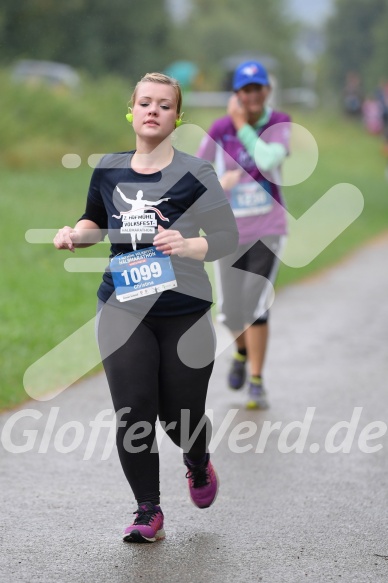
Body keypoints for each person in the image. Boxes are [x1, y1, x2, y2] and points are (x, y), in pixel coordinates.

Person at [53, 72, 238, 543]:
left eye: (164, 105)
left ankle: (196, 460)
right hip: (123, 305)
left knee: (181, 418)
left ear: (178, 117)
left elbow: (226, 238)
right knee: (134, 411)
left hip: (184, 309)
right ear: (131, 111)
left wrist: (190, 243)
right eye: (146, 103)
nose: (154, 110)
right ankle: (147, 510)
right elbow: (96, 219)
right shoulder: (109, 169)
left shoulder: (197, 173)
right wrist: (76, 233)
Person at [197, 60, 291, 410]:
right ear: (237, 93)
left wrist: (241, 124)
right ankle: (240, 352)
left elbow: (267, 159)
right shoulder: (219, 129)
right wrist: (219, 185)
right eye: (245, 90)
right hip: (229, 229)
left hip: (268, 228)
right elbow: (197, 169)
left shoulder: (279, 123)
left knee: (255, 304)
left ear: (266, 91)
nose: (252, 96)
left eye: (257, 89)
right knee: (231, 311)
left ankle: (256, 380)